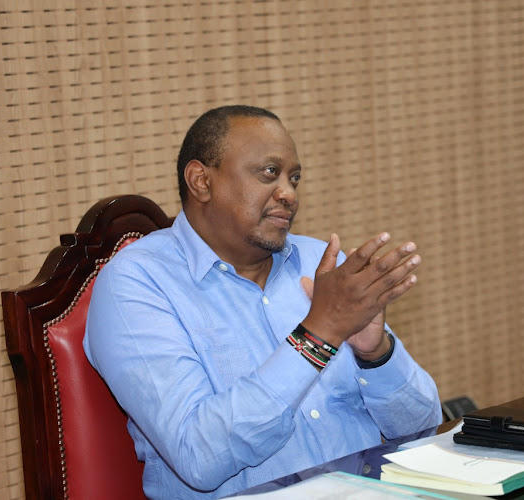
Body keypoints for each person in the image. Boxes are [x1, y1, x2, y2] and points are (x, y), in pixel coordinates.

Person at [84, 105, 441, 499]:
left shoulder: (321, 264)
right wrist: (320, 332)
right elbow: (198, 456)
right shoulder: (136, 283)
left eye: (295, 178)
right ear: (201, 181)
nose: (288, 193)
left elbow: (422, 428)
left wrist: (376, 353)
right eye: (269, 172)